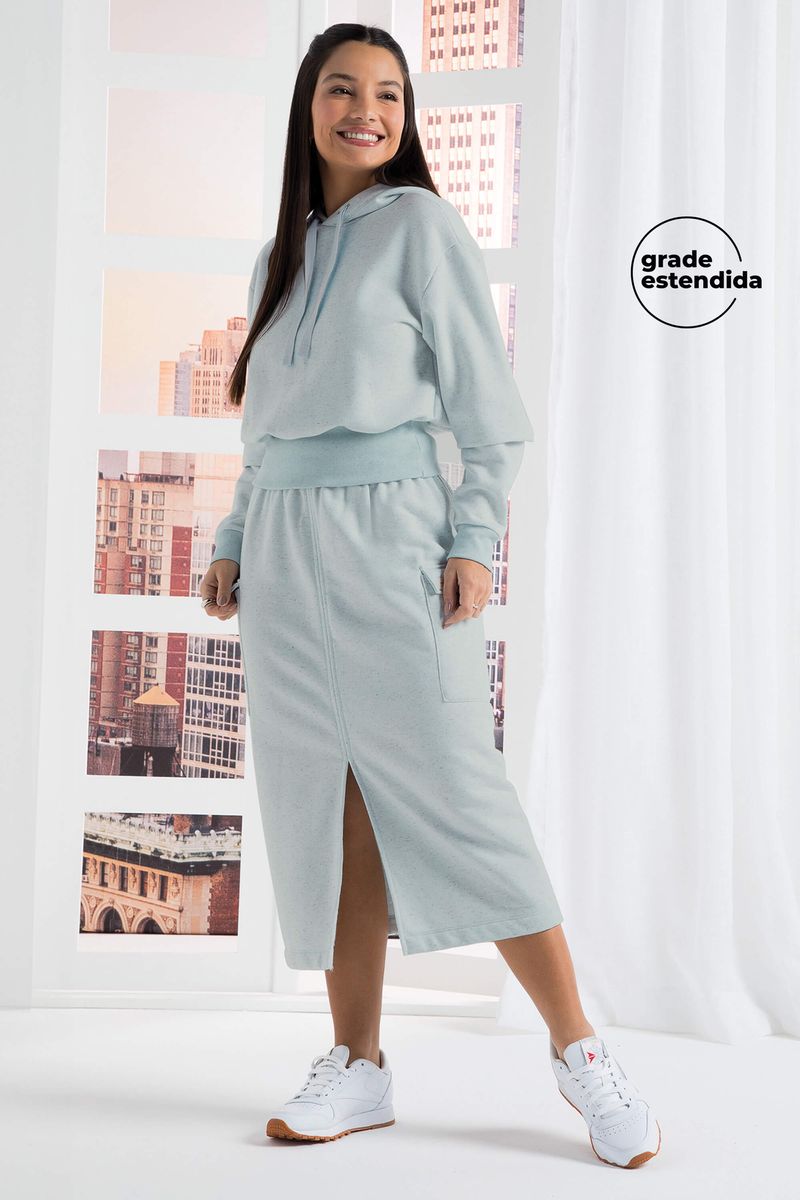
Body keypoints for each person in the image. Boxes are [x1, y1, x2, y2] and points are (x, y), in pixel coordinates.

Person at [200, 22, 661, 1170]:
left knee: (460, 798)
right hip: (285, 558)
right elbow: (263, 440)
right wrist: (234, 539)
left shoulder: (421, 227)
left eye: (388, 94)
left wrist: (470, 538)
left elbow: (485, 408)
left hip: (392, 533)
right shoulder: (277, 259)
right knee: (327, 807)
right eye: (342, 89)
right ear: (307, 107)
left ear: (405, 118)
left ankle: (581, 1053)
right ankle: (355, 1065)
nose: (366, 110)